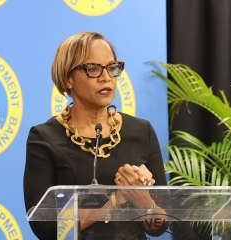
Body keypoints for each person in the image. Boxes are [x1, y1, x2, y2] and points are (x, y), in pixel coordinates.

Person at [23, 31, 167, 239]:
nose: (106, 77)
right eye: (93, 69)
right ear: (67, 78)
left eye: (111, 68)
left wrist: (143, 200)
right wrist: (115, 200)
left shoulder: (141, 131)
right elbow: (45, 227)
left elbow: (159, 227)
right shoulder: (45, 138)